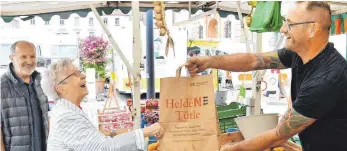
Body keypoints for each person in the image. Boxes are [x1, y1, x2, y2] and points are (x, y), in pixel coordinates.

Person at [186, 2, 347, 151]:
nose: (283, 29)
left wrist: (232, 149)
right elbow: (254, 61)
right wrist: (209, 61)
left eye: (289, 24)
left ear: (313, 29)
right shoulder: (299, 54)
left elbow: (278, 136)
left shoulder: (326, 80)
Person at [41, 58, 164, 151]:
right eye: (75, 74)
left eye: (80, 72)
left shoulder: (67, 109)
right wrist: (146, 132)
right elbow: (104, 148)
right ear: (60, 88)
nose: (83, 76)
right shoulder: (66, 117)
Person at [1, 40, 50, 151]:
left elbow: (47, 116)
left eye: (32, 56)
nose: (29, 61)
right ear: (12, 58)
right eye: (23, 57)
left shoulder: (41, 82)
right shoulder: (2, 86)